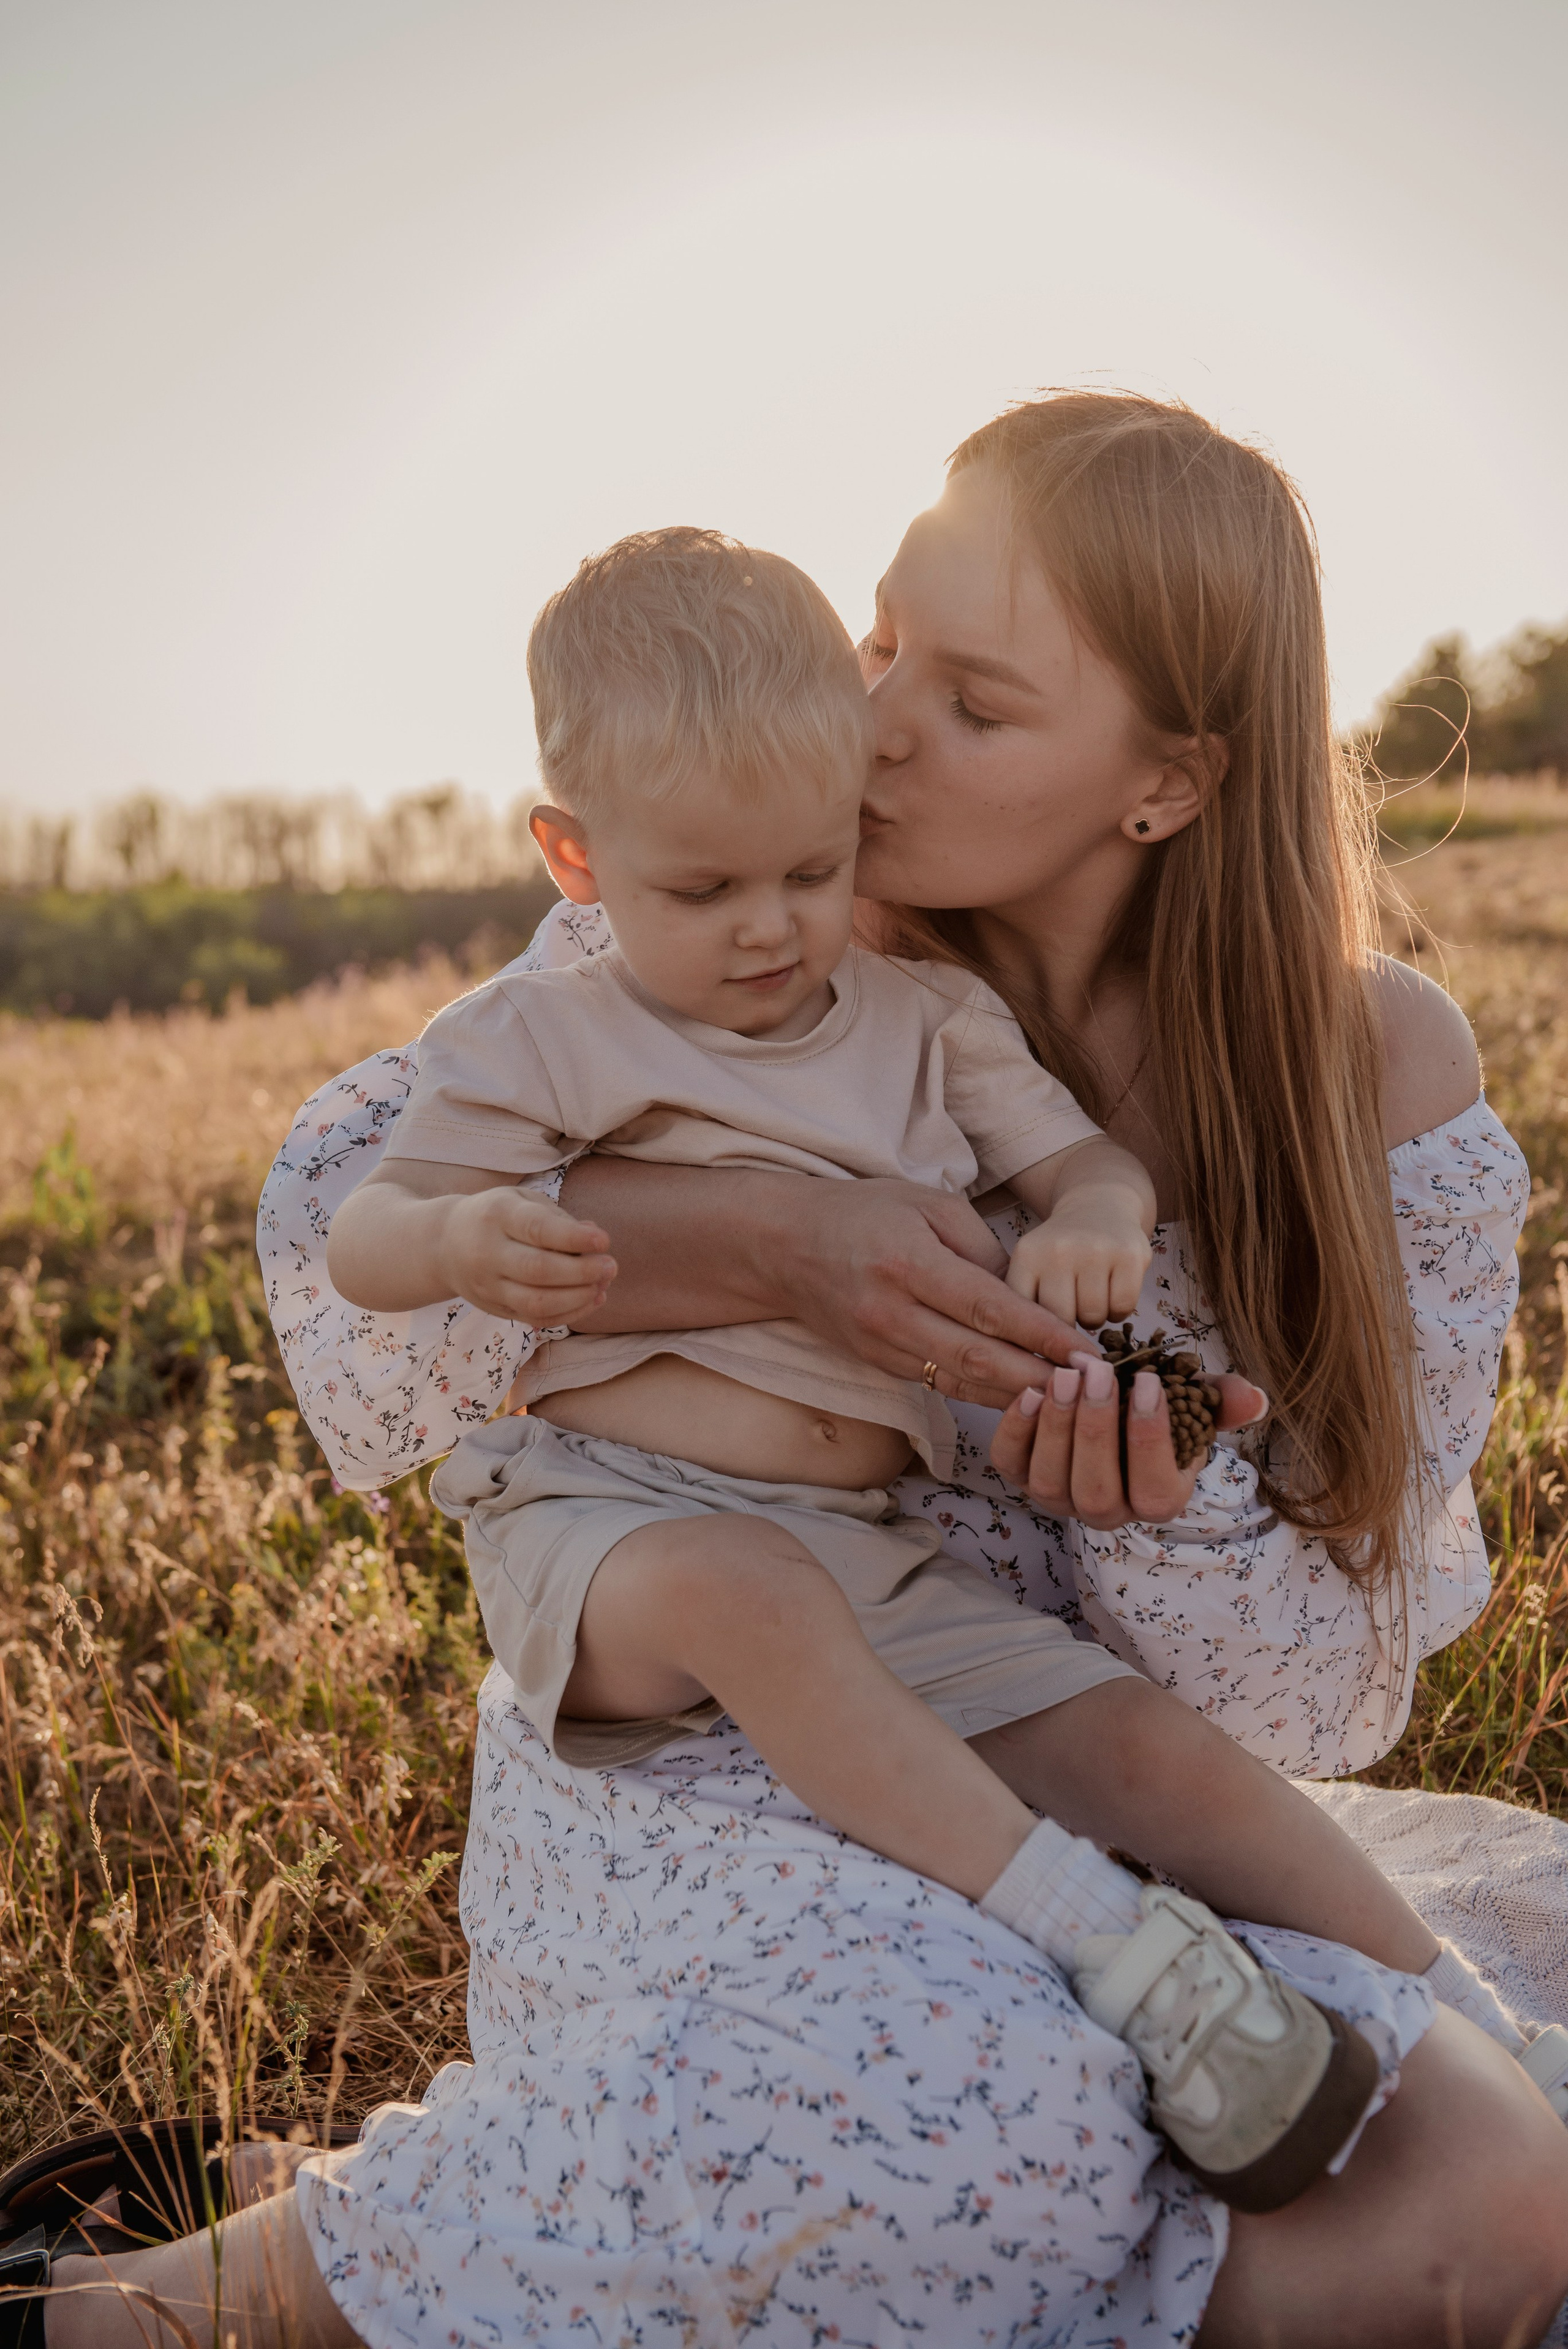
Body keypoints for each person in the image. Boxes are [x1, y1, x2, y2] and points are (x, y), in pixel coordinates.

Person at [26, 394, 1568, 2345]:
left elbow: (1325, 1694)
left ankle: (567, 2193)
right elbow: (351, 1304)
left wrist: (1154, 1520)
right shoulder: (741, 889)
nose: (887, 720)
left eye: (979, 702)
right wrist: (749, 1241)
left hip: (1053, 1745)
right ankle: (176, 2302)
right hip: (691, 1757)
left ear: (1166, 782)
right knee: (1019, 2110)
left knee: (1482, 2223)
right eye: (883, 640)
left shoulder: (1371, 1071)